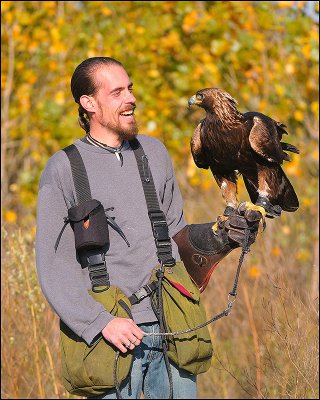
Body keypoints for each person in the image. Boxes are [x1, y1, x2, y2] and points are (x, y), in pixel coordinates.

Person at [36, 57, 262, 399]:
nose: (130, 98)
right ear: (89, 103)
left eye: (130, 89)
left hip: (173, 327)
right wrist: (99, 324)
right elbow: (53, 267)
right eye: (117, 92)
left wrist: (222, 238)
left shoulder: (153, 153)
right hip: (109, 337)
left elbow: (176, 238)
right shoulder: (63, 169)